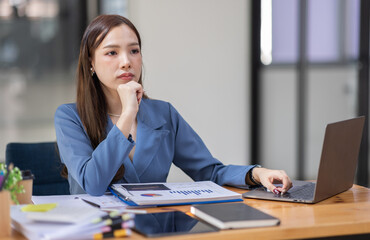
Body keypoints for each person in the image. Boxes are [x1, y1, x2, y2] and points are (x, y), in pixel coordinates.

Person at [55, 14, 292, 196]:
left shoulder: (163, 113)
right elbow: (93, 184)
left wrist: (257, 173)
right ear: (91, 63)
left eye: (134, 51)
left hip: (159, 229)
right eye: (112, 53)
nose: (126, 62)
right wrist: (128, 113)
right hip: (100, 231)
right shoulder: (69, 117)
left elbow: (209, 172)